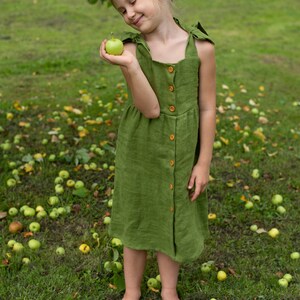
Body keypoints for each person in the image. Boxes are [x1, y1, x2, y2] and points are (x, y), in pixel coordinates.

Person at [99, 0, 216, 299]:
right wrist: (130, 66)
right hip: (140, 148)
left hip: (183, 152)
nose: (130, 14)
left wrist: (203, 163)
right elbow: (150, 109)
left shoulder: (202, 48)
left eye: (133, 1)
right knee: (137, 211)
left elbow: (207, 108)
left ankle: (169, 290)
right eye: (121, 10)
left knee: (173, 213)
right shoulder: (131, 51)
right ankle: (132, 291)